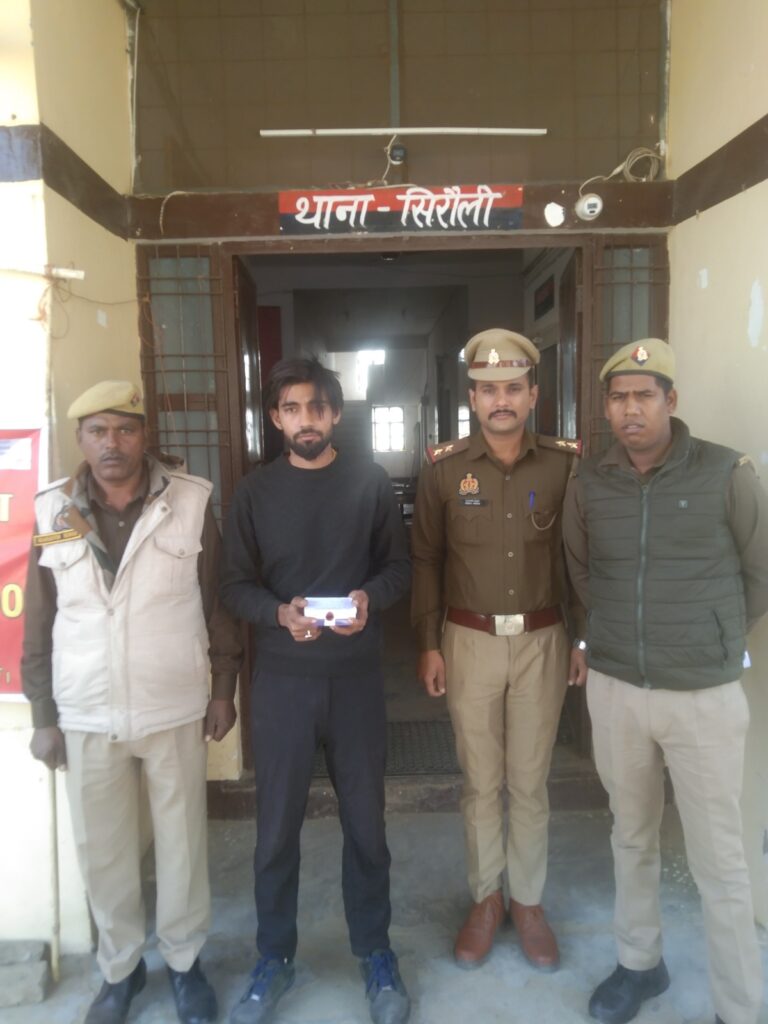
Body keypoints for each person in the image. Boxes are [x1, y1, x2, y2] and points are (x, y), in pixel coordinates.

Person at [21, 380, 242, 1024]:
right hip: (86, 709)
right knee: (104, 850)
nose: (111, 443)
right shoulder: (55, 513)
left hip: (172, 703)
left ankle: (184, 962)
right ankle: (120, 970)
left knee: (182, 845)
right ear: (81, 439)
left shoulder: (189, 502)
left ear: (145, 435)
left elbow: (217, 602)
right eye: (98, 431)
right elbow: (41, 618)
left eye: (124, 429)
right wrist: (43, 716)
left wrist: (222, 689)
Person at [563, 338, 768, 1024]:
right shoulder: (590, 481)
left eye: (644, 396)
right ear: (606, 408)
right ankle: (639, 964)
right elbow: (581, 570)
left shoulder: (724, 472)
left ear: (670, 401)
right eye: (619, 398)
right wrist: (611, 636)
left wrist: (712, 636)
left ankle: (738, 1006)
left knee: (720, 861)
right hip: (617, 689)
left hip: (703, 697)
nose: (631, 410)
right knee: (631, 836)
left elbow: (760, 572)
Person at [220, 356, 412, 1024]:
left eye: (317, 408)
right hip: (282, 684)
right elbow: (233, 584)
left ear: (335, 414)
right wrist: (278, 613)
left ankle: (375, 952)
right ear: (276, 418)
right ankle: (274, 955)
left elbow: (398, 568)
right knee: (275, 831)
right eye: (292, 408)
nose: (306, 420)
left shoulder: (370, 482)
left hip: (355, 680)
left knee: (367, 827)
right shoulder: (254, 493)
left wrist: (369, 598)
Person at [410, 328, 584, 972]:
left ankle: (528, 903)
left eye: (513, 388)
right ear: (473, 399)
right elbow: (426, 560)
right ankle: (486, 899)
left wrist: (583, 637)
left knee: (530, 783)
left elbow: (579, 561)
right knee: (481, 782)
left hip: (543, 640)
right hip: (469, 642)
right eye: (488, 390)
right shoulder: (444, 468)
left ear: (533, 394)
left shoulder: (565, 465)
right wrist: (428, 644)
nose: (501, 400)